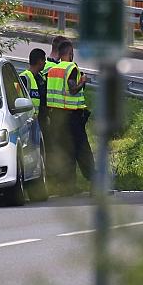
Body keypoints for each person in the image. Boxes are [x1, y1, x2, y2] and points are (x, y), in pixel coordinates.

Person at [45, 40, 94, 187]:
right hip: (72, 117)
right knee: (82, 150)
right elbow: (73, 89)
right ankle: (95, 181)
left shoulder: (52, 70)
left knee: (66, 152)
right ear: (70, 52)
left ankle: (68, 186)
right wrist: (83, 81)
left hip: (56, 118)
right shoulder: (71, 68)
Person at [19, 48, 48, 129]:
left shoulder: (41, 78)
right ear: (39, 61)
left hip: (40, 120)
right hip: (28, 121)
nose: (45, 63)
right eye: (44, 60)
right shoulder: (24, 78)